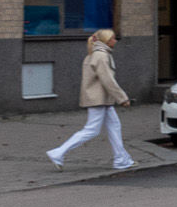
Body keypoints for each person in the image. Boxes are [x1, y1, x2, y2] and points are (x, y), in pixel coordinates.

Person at [48, 28, 135, 171]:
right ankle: (58, 152)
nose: (115, 41)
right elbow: (107, 80)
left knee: (114, 126)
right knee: (92, 130)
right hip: (98, 99)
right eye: (113, 38)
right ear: (106, 41)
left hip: (102, 99)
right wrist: (122, 98)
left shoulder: (97, 54)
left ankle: (121, 159)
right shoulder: (101, 56)